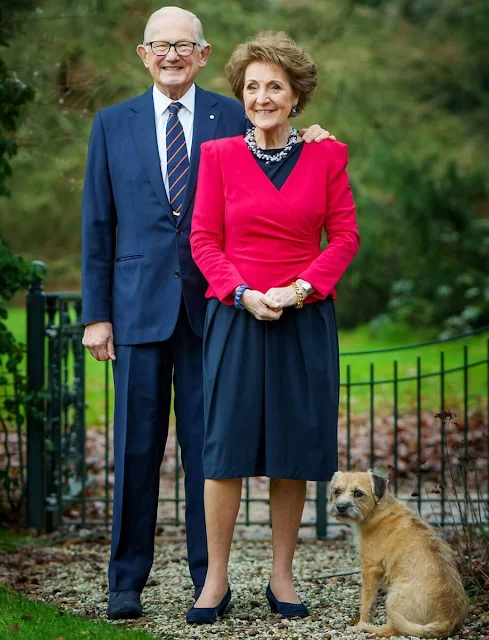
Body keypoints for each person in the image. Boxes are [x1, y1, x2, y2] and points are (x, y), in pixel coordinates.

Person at [80, 7, 332, 621]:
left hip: (214, 311)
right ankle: (125, 581)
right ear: (144, 55)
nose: (171, 55)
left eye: (183, 46)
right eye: (159, 46)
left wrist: (317, 139)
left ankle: (206, 580)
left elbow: (286, 154)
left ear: (202, 53)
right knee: (136, 451)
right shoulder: (112, 125)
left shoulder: (232, 110)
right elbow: (98, 225)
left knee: (208, 451)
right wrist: (97, 314)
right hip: (137, 310)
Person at [187, 31, 360, 624]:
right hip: (236, 316)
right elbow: (204, 240)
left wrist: (300, 289)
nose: (262, 97)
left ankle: (281, 578)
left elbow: (344, 237)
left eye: (275, 87)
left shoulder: (327, 156)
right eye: (252, 87)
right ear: (241, 94)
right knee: (224, 451)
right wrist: (243, 293)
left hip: (305, 319)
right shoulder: (217, 157)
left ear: (295, 97)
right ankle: (214, 581)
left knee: (291, 451)